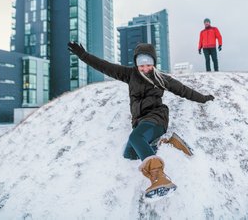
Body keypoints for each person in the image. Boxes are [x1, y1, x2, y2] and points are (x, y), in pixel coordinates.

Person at [67, 42, 215, 199]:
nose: (145, 69)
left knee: (135, 138)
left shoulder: (161, 78)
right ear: (136, 63)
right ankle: (168, 143)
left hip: (157, 118)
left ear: (153, 63)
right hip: (140, 122)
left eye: (148, 65)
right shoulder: (129, 74)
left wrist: (204, 99)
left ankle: (159, 177)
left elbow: (184, 91)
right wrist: (83, 55)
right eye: (141, 65)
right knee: (129, 154)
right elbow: (104, 66)